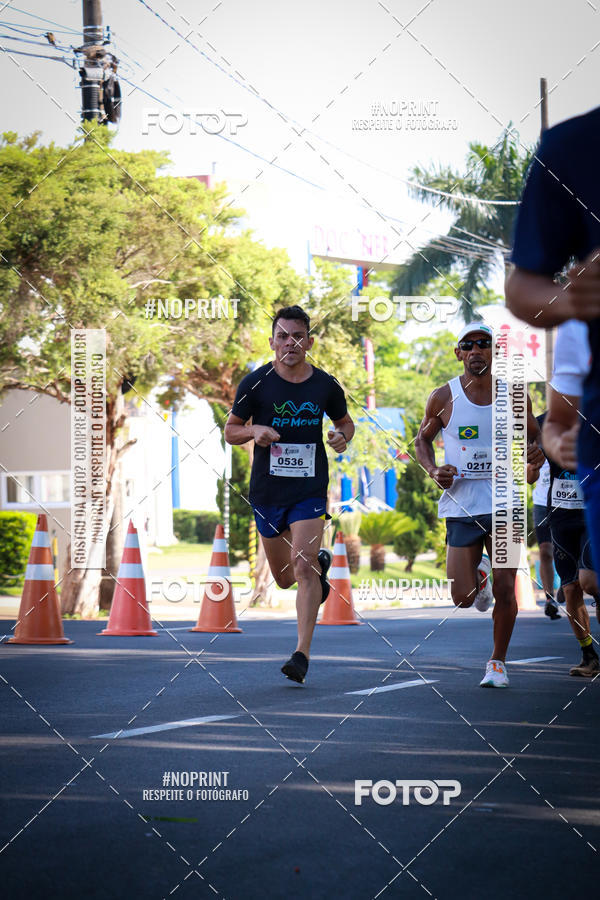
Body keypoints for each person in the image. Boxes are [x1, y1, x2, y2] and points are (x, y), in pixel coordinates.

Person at [224, 305, 355, 684]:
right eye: (283, 336)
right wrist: (254, 431)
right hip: (267, 491)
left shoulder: (325, 385)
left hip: (308, 489)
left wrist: (341, 437)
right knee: (284, 578)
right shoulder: (255, 383)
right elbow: (231, 430)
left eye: (298, 336)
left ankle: (302, 653)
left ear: (309, 341)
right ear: (272, 342)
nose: (290, 343)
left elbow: (344, 423)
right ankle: (320, 571)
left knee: (302, 564)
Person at [415, 323, 545, 688]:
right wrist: (432, 469)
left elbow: (537, 439)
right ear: (458, 353)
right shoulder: (444, 397)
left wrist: (535, 458)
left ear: (493, 351)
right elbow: (422, 440)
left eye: (483, 344)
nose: (476, 351)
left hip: (506, 504)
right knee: (462, 597)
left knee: (506, 589)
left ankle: (497, 663)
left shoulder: (515, 396)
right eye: (468, 345)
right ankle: (479, 575)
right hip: (462, 506)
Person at [505, 105, 600, 578]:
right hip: (581, 473)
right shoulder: (574, 146)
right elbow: (523, 289)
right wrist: (574, 301)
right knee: (578, 582)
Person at [542, 319, 600, 676]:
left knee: (591, 580)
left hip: (592, 508)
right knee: (572, 589)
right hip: (561, 512)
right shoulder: (547, 419)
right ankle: (589, 656)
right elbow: (534, 462)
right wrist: (550, 448)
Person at [532, 414, 561, 619]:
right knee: (545, 551)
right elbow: (528, 476)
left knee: (567, 550)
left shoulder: (573, 424)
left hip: (568, 501)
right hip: (542, 502)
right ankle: (550, 598)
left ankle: (569, 584)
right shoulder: (537, 424)